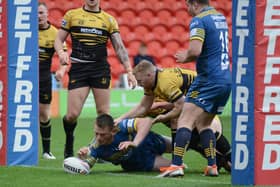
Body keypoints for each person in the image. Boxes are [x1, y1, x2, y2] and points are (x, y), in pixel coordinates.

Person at [54, 0, 137, 158]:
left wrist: (129, 70)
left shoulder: (109, 20)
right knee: (71, 115)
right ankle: (69, 141)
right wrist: (61, 52)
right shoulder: (72, 15)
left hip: (100, 70)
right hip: (79, 69)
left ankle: (99, 152)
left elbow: (119, 47)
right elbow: (58, 40)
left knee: (103, 114)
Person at [158, 0, 231, 177]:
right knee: (204, 123)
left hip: (208, 79)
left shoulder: (199, 20)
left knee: (185, 120)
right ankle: (212, 166)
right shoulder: (220, 17)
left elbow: (195, 50)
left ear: (194, 4)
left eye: (188, 6)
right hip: (226, 79)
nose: (187, 10)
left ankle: (176, 165)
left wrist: (185, 56)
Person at [115, 60, 197, 148]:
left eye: (140, 81)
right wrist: (121, 118)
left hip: (205, 91)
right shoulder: (151, 83)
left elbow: (181, 105)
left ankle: (178, 156)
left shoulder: (164, 83)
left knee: (176, 119)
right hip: (194, 95)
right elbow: (143, 107)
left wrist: (163, 117)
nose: (139, 85)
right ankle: (179, 153)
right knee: (175, 118)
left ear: (149, 75)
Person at [77, 114, 172, 172]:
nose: (98, 138)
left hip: (149, 141)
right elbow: (84, 167)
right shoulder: (95, 148)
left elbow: (147, 121)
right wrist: (82, 157)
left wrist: (134, 143)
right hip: (141, 162)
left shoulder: (121, 127)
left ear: (113, 131)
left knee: (185, 144)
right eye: (96, 133)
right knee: (177, 167)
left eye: (102, 135)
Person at [38, 2, 68, 159]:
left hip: (43, 77)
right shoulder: (25, 32)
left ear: (47, 14)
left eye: (41, 12)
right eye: (36, 13)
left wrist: (62, 71)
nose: (38, 16)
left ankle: (46, 151)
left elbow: (64, 57)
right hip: (23, 76)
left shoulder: (55, 34)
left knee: (44, 113)